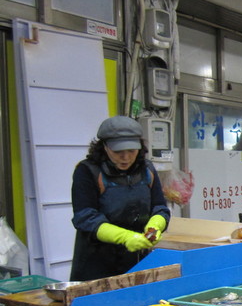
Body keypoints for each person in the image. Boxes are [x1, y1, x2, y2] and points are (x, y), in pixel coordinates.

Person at [70, 115, 170, 281]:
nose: (126, 157)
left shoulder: (147, 170)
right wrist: (125, 237)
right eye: (118, 152)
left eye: (131, 151)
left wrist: (155, 225)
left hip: (137, 259)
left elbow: (160, 207)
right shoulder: (87, 171)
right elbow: (85, 217)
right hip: (97, 264)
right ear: (104, 147)